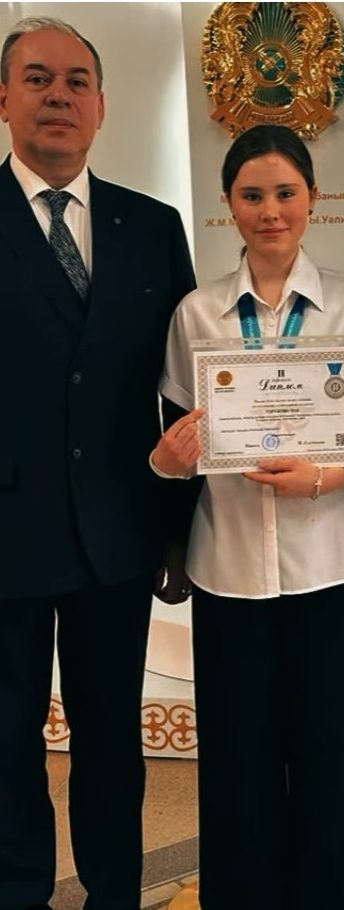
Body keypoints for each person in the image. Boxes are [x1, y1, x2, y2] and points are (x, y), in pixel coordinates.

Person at [151, 123, 344, 910]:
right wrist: (168, 461)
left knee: (333, 755)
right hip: (229, 568)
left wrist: (324, 476)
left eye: (286, 193)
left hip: (333, 564)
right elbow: (176, 437)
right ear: (228, 204)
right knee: (238, 760)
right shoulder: (197, 314)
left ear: (313, 199)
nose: (270, 211)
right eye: (252, 195)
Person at [0, 17, 195, 910]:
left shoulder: (151, 227)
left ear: (103, 105)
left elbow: (182, 391)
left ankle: (115, 893)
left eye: (77, 81)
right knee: (6, 738)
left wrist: (180, 530)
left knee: (112, 738)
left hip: (117, 531)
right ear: (5, 98)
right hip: (6, 529)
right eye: (38, 78)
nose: (59, 95)